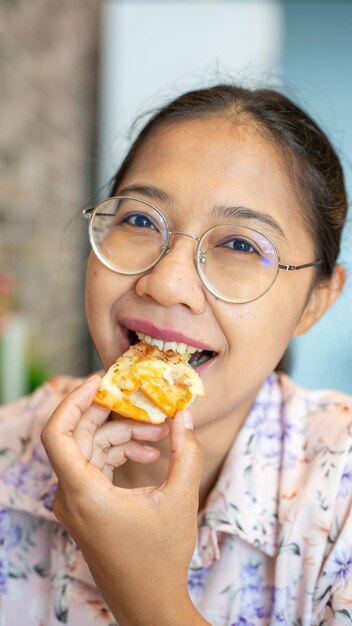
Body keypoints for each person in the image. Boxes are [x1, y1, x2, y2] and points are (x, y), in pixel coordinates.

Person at [1, 84, 352, 626]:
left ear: (316, 301)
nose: (166, 284)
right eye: (140, 220)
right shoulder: (7, 454)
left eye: (240, 244)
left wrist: (151, 599)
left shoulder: (340, 498)